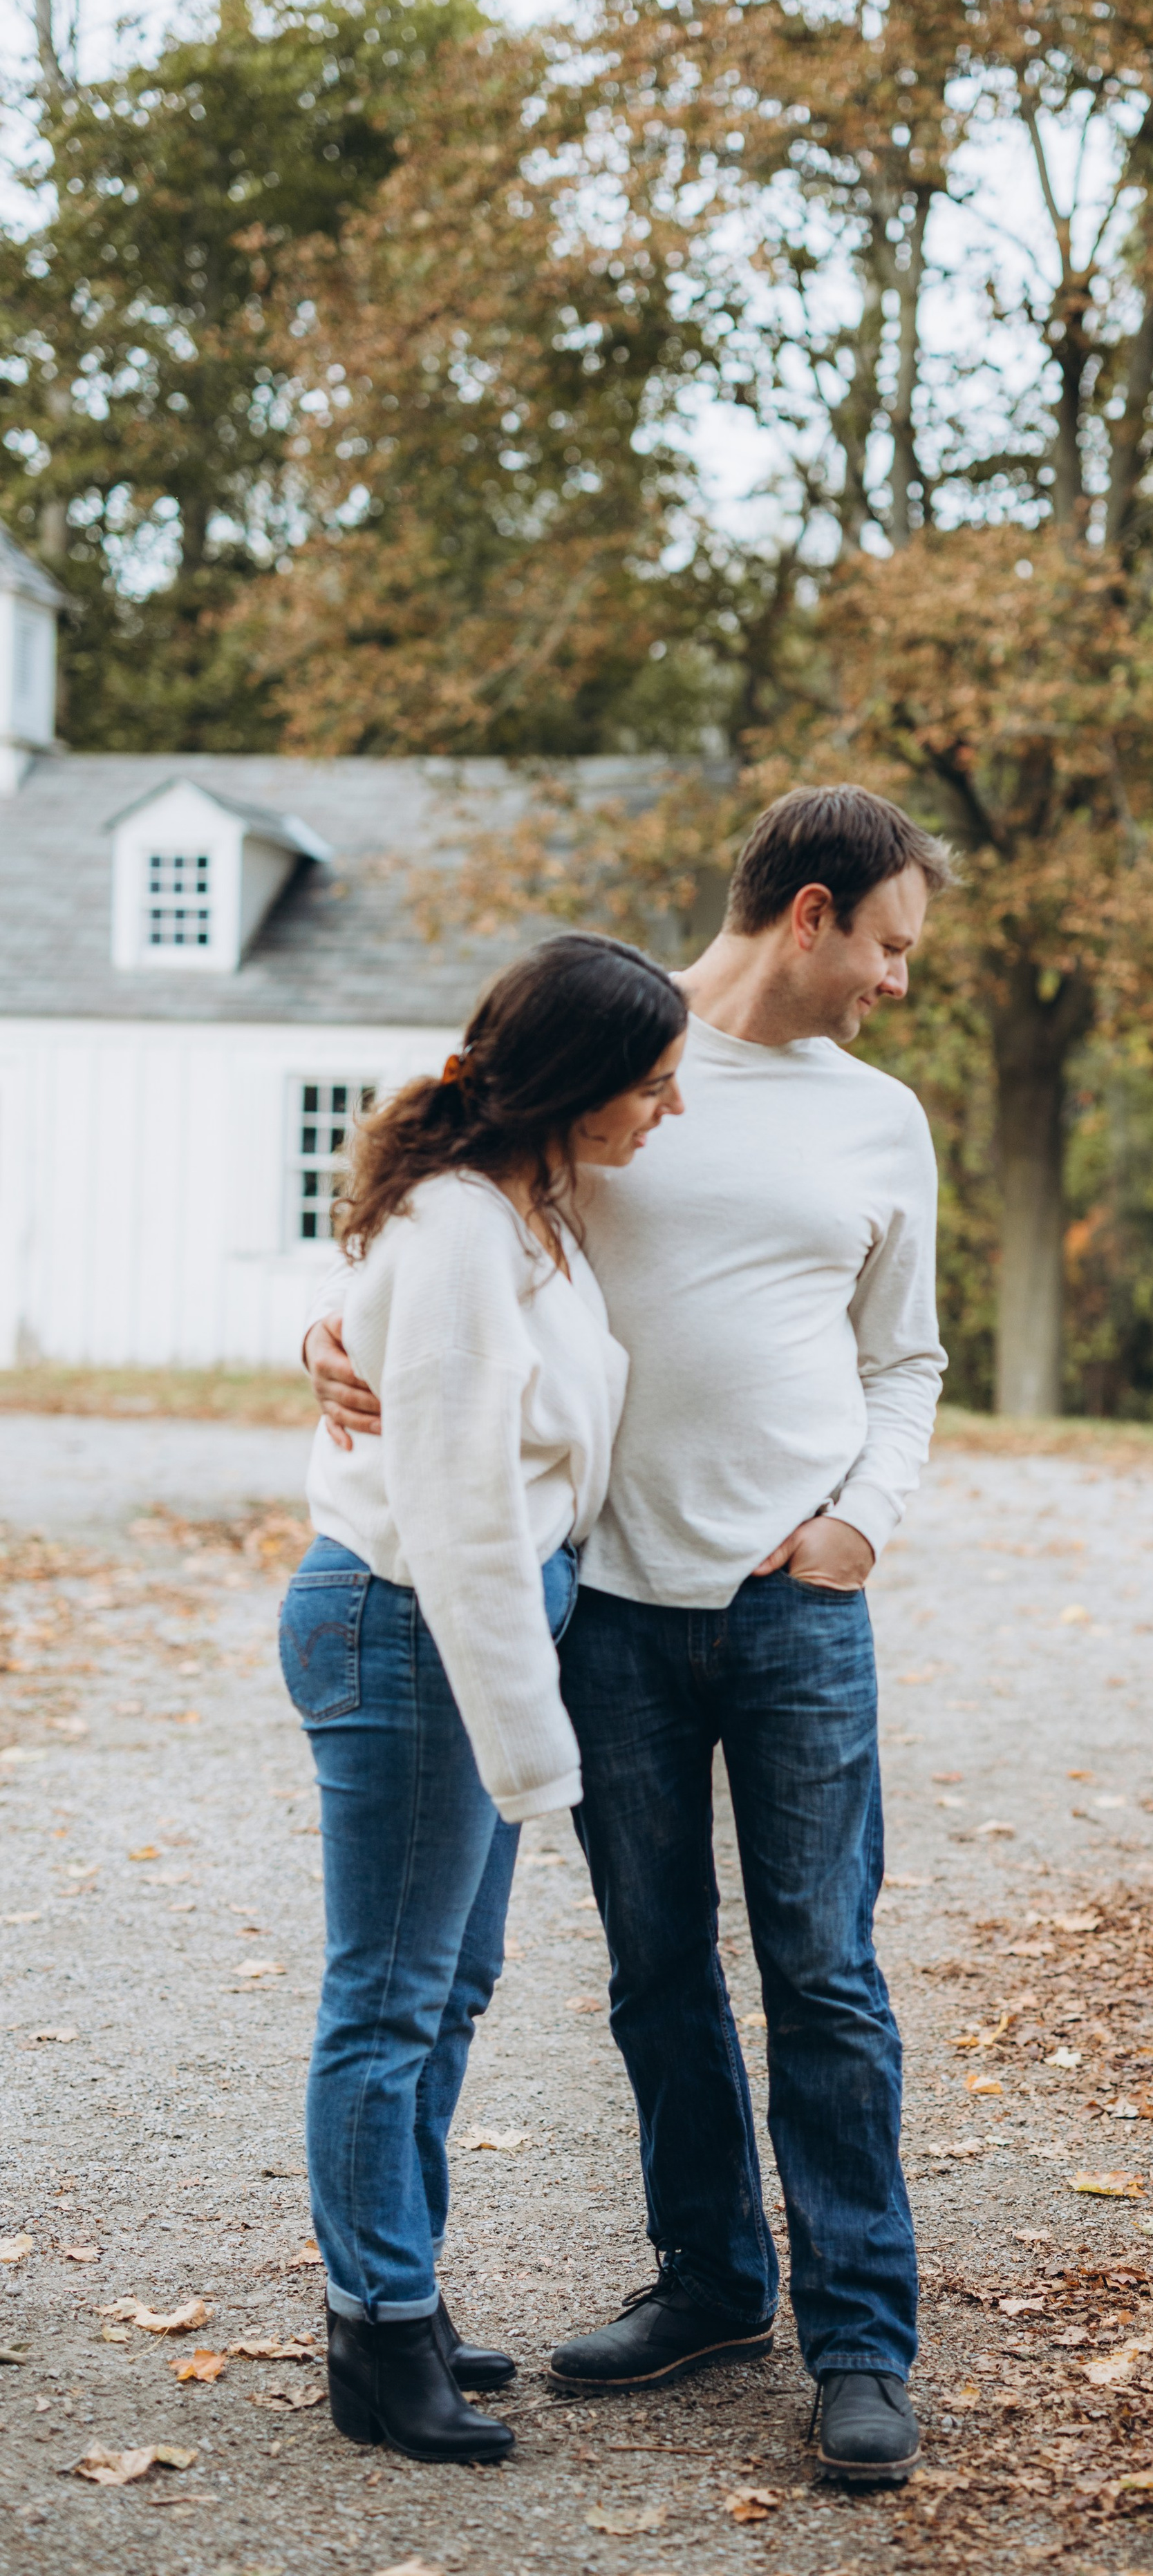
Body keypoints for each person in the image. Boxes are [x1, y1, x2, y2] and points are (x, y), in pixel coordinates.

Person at [305, 784, 951, 2485]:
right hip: (599, 1596)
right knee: (657, 1971)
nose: (898, 979)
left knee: (824, 1972)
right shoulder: (615, 1051)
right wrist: (327, 1328)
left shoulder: (879, 1119)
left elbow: (908, 1359)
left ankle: (861, 2334)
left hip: (794, 1603)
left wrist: (861, 1521)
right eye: (887, 943)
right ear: (807, 912)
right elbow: (438, 1210)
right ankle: (713, 2282)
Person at [281, 933, 686, 2465]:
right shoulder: (461, 1224)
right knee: (386, 1999)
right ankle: (374, 2338)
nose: (665, 1113)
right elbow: (451, 1499)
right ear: (574, 1085)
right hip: (417, 1621)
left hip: (477, 1614)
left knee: (444, 1992)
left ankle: (405, 2292)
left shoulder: (527, 1203)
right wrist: (534, 1749)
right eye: (647, 1088)